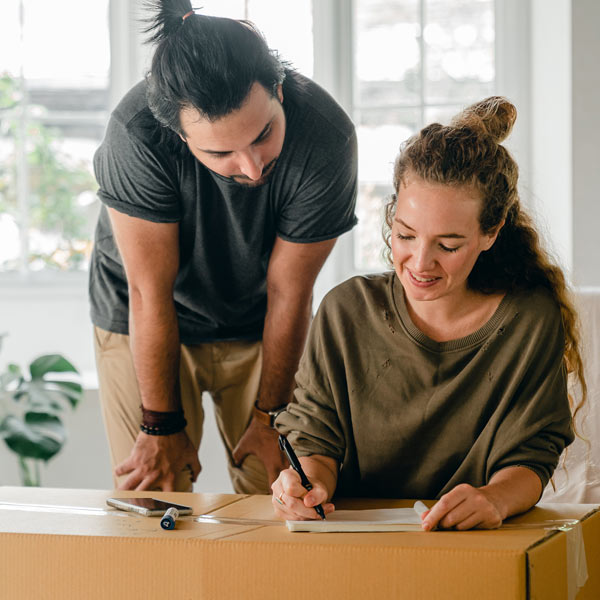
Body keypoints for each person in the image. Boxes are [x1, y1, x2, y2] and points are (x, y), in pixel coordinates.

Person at [271, 97, 587, 530]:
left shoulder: (529, 320)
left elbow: (532, 453)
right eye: (405, 235)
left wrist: (494, 499)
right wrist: (306, 484)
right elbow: (315, 438)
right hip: (354, 541)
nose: (420, 263)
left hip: (473, 542)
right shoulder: (346, 311)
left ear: (491, 233)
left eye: (449, 245)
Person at [89, 0, 357, 494]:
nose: (252, 168)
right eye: (220, 152)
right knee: (155, 492)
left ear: (277, 90)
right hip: (148, 312)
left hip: (263, 317)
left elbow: (290, 290)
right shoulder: (136, 135)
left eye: (263, 135)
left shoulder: (326, 136)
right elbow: (150, 294)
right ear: (177, 133)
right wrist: (159, 425)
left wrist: (270, 415)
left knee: (281, 492)